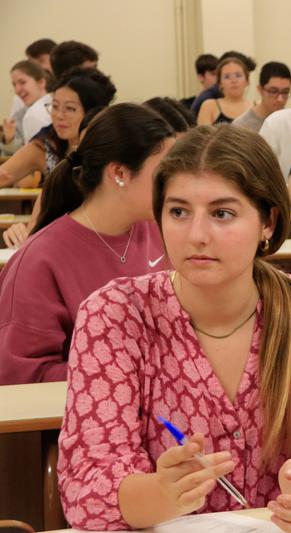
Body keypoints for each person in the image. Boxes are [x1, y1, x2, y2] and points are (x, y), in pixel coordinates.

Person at [57, 125, 291, 530]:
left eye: (222, 213)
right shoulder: (115, 315)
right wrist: (161, 493)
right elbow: (86, 487)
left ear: (268, 222)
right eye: (178, 211)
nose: (196, 235)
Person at [0, 104, 175, 385]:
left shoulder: (162, 232)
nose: (175, 185)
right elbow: (22, 375)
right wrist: (125, 374)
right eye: (164, 172)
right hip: (84, 419)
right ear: (119, 172)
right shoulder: (40, 259)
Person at [0, 68, 117, 248]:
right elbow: (5, 175)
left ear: (93, 112)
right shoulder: (47, 144)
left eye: (70, 108)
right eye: (54, 106)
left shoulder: (111, 154)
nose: (59, 115)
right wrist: (24, 234)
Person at [233, 61, 291, 132]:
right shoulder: (242, 126)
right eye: (273, 91)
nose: (280, 99)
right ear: (260, 90)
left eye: (285, 92)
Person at [191, 51, 256, 115]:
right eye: (228, 76)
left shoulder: (249, 105)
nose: (234, 80)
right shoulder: (207, 100)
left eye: (239, 75)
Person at [197, 57, 253, 126]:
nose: (234, 80)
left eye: (238, 75)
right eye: (227, 77)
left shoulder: (256, 107)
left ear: (247, 81)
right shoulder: (209, 106)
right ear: (220, 83)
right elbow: (202, 135)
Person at [10, 60, 52, 143]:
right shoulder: (19, 116)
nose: (17, 90)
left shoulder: (57, 107)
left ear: (41, 82)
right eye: (14, 85)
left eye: (22, 82)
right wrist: (8, 140)